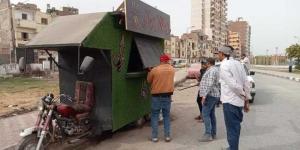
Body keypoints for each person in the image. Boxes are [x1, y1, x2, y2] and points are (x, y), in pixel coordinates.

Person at [217, 46, 251, 150]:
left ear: (223, 54)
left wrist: (244, 96)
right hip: (238, 102)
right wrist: (246, 100)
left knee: (232, 128)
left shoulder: (224, 65)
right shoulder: (239, 64)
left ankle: (233, 148)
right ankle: (232, 147)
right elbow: (246, 83)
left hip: (230, 102)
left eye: (218, 53)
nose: (218, 55)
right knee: (235, 128)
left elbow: (233, 85)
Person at [147, 54, 175, 143]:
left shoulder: (155, 70)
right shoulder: (172, 69)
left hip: (156, 97)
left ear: (160, 60)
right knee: (166, 116)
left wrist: (149, 71)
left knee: (155, 116)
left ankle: (155, 137)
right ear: (167, 61)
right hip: (167, 96)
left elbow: (149, 80)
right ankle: (167, 136)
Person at [198, 58, 220, 142]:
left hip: (210, 96)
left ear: (209, 63)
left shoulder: (211, 70)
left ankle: (208, 134)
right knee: (211, 114)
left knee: (205, 114)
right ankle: (213, 133)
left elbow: (210, 84)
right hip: (213, 95)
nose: (205, 64)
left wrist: (204, 96)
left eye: (206, 63)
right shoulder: (214, 69)